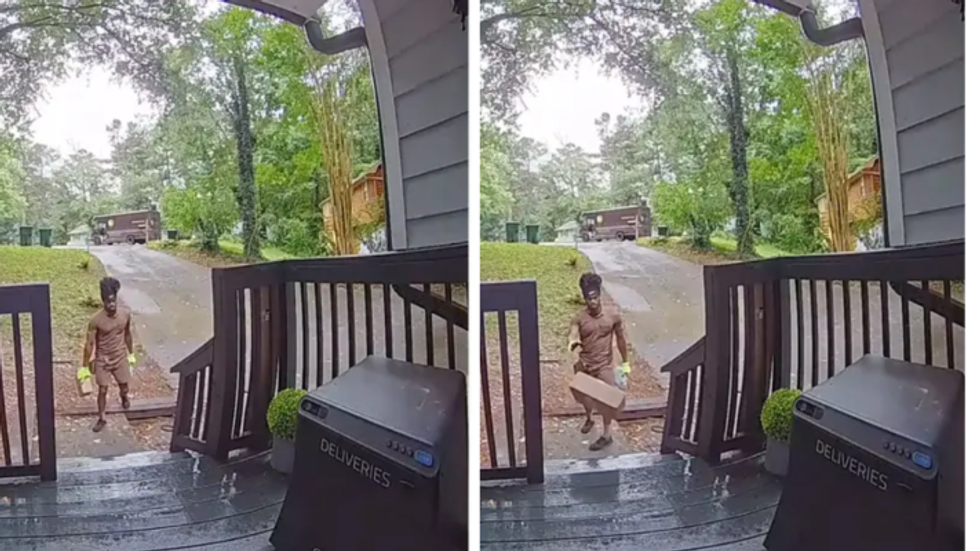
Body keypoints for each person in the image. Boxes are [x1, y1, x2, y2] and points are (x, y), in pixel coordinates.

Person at [567, 272, 630, 451]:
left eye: (594, 297)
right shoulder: (579, 318)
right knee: (584, 397)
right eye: (588, 298)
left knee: (607, 400)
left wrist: (625, 363)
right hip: (585, 364)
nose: (592, 302)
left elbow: (621, 339)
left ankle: (607, 434)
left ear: (599, 295)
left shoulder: (613, 315)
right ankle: (589, 417)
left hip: (604, 365)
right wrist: (573, 342)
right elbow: (572, 334)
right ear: (584, 298)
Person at [82, 277, 136, 432]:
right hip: (103, 359)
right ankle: (102, 417)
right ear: (103, 302)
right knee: (103, 390)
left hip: (120, 356)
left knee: (124, 386)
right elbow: (89, 344)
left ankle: (124, 396)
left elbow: (127, 335)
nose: (111, 305)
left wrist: (131, 354)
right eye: (108, 302)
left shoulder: (125, 315)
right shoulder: (95, 320)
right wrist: (84, 367)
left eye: (113, 301)